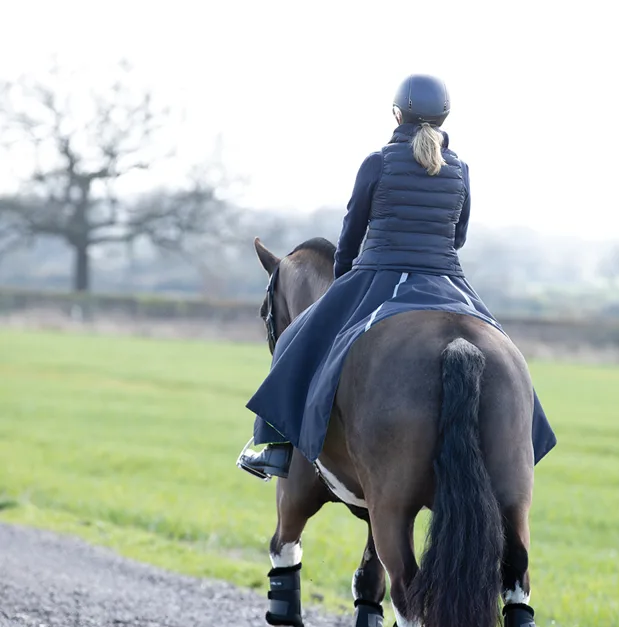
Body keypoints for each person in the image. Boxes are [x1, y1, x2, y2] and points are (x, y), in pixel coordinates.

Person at [237, 74, 556, 480]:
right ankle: (524, 443)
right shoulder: (460, 170)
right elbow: (458, 236)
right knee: (503, 348)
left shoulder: (377, 163)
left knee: (291, 341)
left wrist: (344, 278)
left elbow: (351, 234)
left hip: (377, 273)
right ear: (444, 117)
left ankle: (275, 448)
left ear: (396, 113)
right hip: (446, 277)